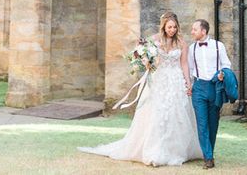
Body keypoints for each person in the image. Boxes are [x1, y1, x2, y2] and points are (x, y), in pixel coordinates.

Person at [78, 12, 203, 166]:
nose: (172, 30)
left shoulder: (182, 43)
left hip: (175, 81)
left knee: (177, 113)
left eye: (175, 27)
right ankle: (155, 150)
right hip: (159, 80)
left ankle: (176, 151)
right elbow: (140, 51)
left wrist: (188, 82)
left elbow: (184, 64)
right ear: (163, 26)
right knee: (157, 113)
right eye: (169, 27)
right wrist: (146, 60)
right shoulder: (154, 39)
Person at [188, 19, 232, 170]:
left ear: (203, 31)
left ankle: (209, 152)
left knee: (213, 124)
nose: (192, 32)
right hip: (198, 88)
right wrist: (189, 85)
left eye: (194, 29)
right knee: (202, 124)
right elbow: (190, 68)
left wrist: (221, 74)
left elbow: (226, 65)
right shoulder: (191, 48)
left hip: (215, 87)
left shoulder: (219, 46)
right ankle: (208, 158)